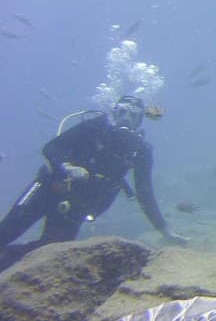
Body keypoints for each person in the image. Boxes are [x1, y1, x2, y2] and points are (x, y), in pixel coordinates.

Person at [0, 96, 186, 269]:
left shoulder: (140, 151)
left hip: (76, 207)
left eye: (133, 115)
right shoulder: (93, 128)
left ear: (139, 121)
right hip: (47, 190)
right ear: (114, 113)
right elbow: (51, 147)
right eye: (122, 112)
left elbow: (145, 192)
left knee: (47, 255)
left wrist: (164, 230)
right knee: (6, 231)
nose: (126, 118)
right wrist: (65, 166)